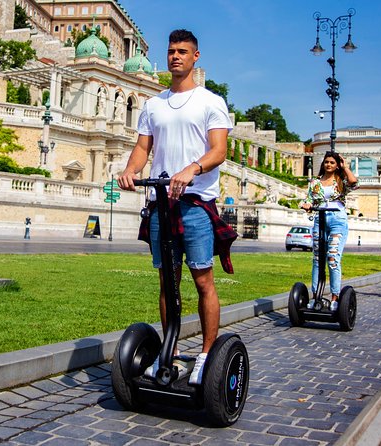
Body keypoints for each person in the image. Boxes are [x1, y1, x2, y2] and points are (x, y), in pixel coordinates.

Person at [117, 29, 235, 385]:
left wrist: (192, 168)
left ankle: (205, 354)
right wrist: (130, 169)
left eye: (183, 51)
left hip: (196, 204)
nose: (175, 57)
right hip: (161, 205)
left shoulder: (210, 101)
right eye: (171, 51)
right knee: (167, 283)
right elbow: (143, 148)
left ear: (195, 57)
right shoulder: (153, 105)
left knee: (203, 282)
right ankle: (169, 351)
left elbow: (219, 150)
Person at [300, 152, 358, 311]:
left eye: (332, 162)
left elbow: (353, 183)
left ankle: (335, 297)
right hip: (320, 219)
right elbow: (309, 199)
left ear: (337, 165)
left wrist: (345, 167)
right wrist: (306, 205)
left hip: (337, 220)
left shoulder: (341, 180)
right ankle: (315, 297)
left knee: (332, 258)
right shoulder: (315, 182)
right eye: (326, 162)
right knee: (317, 259)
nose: (329, 165)